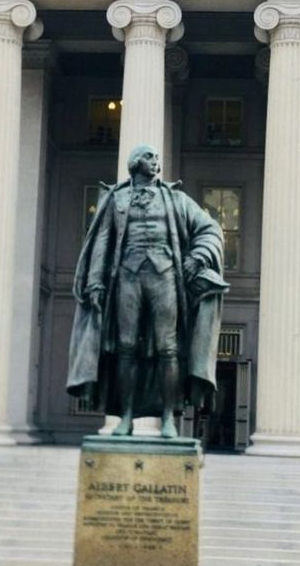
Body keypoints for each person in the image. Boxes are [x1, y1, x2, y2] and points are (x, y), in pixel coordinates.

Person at [67, 144, 228, 438]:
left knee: (168, 349)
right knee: (126, 348)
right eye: (150, 157)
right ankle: (125, 418)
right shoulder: (117, 198)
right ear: (136, 162)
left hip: (165, 276)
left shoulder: (175, 199)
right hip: (126, 277)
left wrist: (197, 257)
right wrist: (94, 281)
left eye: (157, 158)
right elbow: (102, 241)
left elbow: (210, 228)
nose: (156, 162)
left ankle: (168, 418)